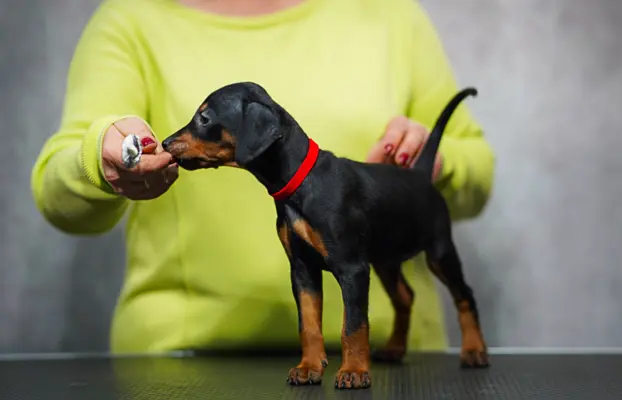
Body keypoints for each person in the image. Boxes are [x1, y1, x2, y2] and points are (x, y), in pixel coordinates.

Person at [31, 0, 495, 355]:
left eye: (205, 124)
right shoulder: (129, 19)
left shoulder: (392, 15)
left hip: (400, 369)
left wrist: (434, 162)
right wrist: (100, 156)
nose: (184, 139)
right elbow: (58, 191)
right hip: (178, 362)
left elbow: (477, 173)